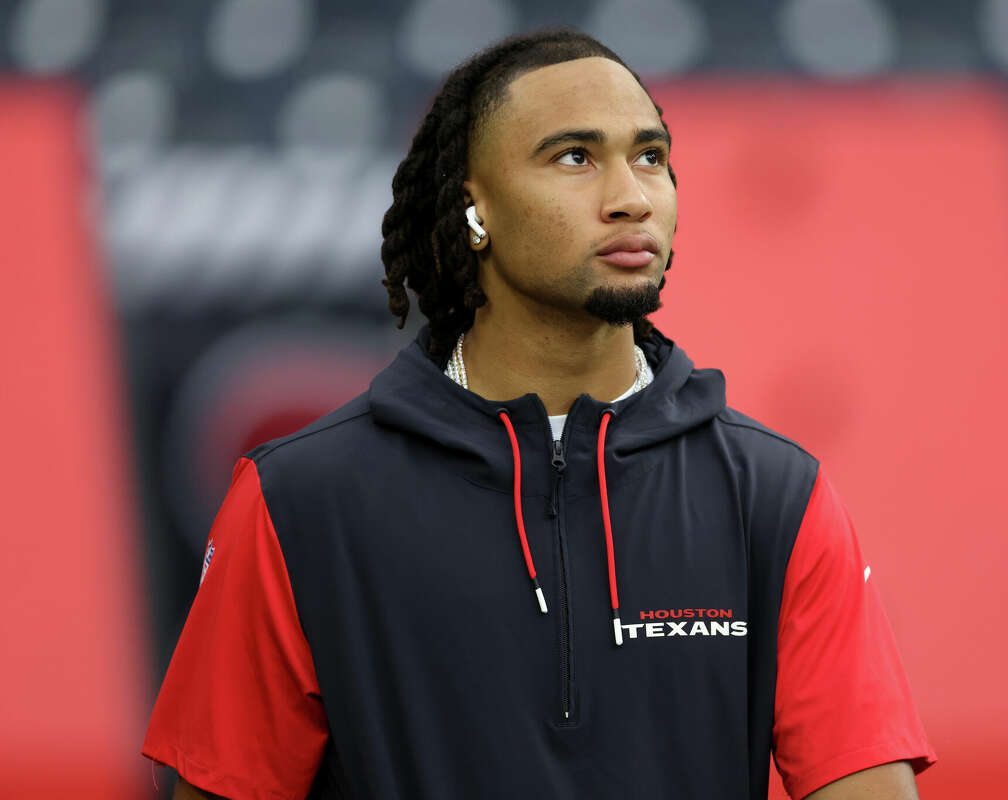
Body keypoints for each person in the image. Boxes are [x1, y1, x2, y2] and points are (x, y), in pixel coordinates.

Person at [143, 28, 937, 800]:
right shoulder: (299, 502)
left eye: (650, 157)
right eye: (575, 157)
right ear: (472, 208)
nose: (631, 199)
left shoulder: (775, 496)